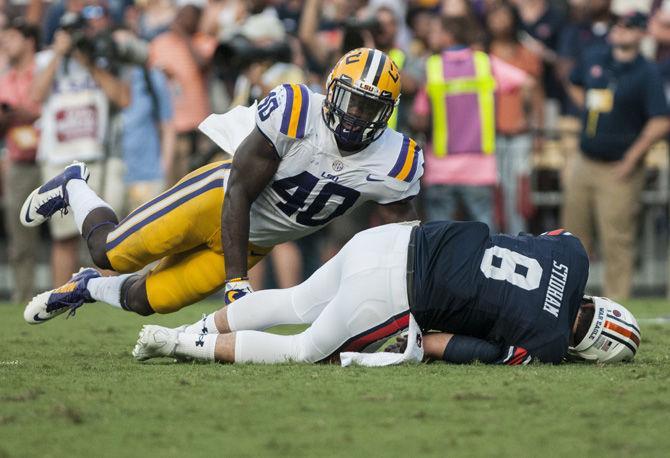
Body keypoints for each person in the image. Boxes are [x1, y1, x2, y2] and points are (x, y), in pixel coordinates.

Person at [21, 48, 423, 323]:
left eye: (368, 108)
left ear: (387, 112)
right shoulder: (296, 111)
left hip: (255, 242)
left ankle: (88, 288)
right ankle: (73, 185)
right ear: (331, 89)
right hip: (217, 200)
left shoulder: (396, 160)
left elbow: (403, 241)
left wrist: (412, 307)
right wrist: (236, 282)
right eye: (350, 101)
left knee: (148, 301)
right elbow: (239, 191)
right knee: (108, 252)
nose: (354, 117)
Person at [132, 221, 641, 366]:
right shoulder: (546, 346)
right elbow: (446, 347)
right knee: (303, 349)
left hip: (397, 236)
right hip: (395, 290)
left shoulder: (574, 256)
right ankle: (177, 343)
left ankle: (190, 329)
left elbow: (547, 243)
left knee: (295, 299)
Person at [562, 12, 670, 300]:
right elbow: (572, 79)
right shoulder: (596, 56)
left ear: (641, 34)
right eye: (618, 25)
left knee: (616, 243)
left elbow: (661, 119)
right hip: (585, 160)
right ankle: (567, 305)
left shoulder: (647, 72)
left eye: (629, 27)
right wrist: (583, 106)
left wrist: (632, 158)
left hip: (619, 168)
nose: (621, 31)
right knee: (571, 239)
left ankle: (616, 311)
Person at [30, 6, 131, 287]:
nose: (74, 38)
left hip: (92, 156)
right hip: (57, 155)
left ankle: (105, 295)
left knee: (101, 233)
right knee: (63, 237)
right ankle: (60, 295)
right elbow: (35, 94)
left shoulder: (99, 58)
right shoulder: (45, 59)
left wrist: (87, 62)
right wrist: (59, 55)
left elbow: (121, 98)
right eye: (68, 32)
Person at [412, 16, 531, 230]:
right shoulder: (485, 63)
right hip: (480, 168)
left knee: (439, 239)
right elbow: (526, 82)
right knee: (484, 237)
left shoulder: (432, 67)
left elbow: (419, 117)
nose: (431, 35)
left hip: (441, 168)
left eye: (436, 31)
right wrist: (517, 117)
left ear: (449, 36)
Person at [0, 18, 42, 304]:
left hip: (54, 158)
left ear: (29, 41)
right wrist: (18, 114)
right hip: (19, 162)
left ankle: (75, 296)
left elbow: (37, 109)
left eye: (11, 37)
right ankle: (22, 298)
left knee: (69, 234)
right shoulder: (5, 78)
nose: (4, 42)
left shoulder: (46, 68)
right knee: (19, 237)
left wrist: (15, 113)